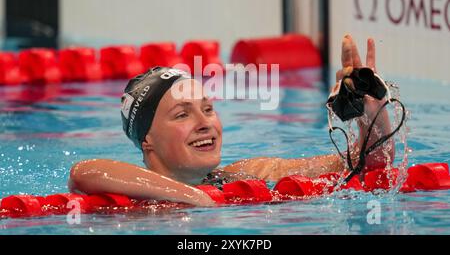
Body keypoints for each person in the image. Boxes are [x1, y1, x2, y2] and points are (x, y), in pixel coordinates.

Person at [68, 35, 393, 207]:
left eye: (208, 110)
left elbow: (366, 165)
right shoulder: (126, 194)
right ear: (146, 141)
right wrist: (193, 195)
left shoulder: (243, 175)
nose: (204, 122)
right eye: (182, 114)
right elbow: (85, 173)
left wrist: (372, 115)